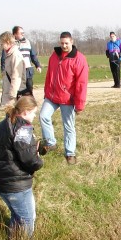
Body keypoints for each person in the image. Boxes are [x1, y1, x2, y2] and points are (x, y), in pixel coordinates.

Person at [0, 95, 43, 238]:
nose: (35, 116)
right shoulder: (23, 129)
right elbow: (29, 159)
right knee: (27, 218)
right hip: (15, 184)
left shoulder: (3, 124)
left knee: (17, 214)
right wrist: (38, 157)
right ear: (25, 112)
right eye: (34, 113)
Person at [39, 31, 89, 165]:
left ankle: (70, 153)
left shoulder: (79, 59)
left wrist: (79, 105)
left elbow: (81, 84)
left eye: (66, 43)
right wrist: (47, 92)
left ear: (72, 42)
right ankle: (51, 142)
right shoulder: (54, 56)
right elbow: (49, 75)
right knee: (43, 116)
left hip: (67, 99)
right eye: (62, 43)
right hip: (52, 96)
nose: (64, 46)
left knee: (69, 127)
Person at [0, 26, 41, 95]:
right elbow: (4, 58)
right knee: (17, 89)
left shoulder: (28, 42)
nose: (23, 34)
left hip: (27, 69)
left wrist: (38, 65)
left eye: (23, 33)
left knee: (29, 89)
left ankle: (30, 103)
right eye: (21, 33)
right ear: (15, 34)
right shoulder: (10, 44)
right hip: (16, 70)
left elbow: (33, 55)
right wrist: (3, 70)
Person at [0, 31, 26, 107]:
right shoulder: (9, 54)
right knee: (10, 116)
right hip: (10, 92)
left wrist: (13, 93)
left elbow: (16, 76)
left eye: (2, 44)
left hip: (14, 94)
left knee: (13, 116)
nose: (1, 46)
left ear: (7, 42)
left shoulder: (15, 55)